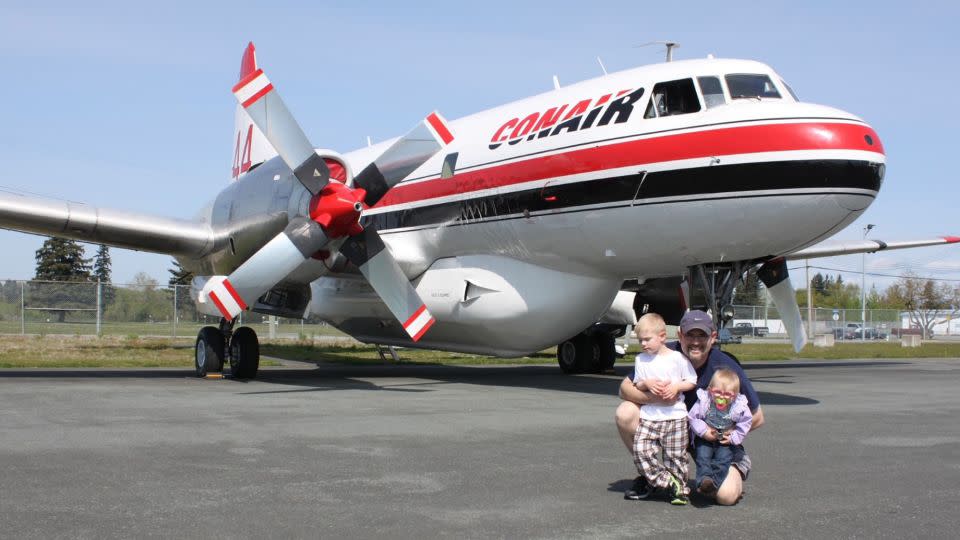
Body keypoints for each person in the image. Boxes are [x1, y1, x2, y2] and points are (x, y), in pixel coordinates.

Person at [615, 310, 766, 505]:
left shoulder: (726, 367)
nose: (695, 342)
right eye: (690, 335)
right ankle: (651, 477)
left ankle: (735, 467)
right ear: (679, 335)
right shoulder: (660, 353)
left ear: (713, 337)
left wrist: (724, 433)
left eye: (701, 335)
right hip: (668, 427)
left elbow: (758, 416)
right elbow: (624, 388)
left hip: (710, 439)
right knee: (625, 412)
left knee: (726, 496)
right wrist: (656, 398)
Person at [630, 313, 697, 505]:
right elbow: (638, 384)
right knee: (640, 451)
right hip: (649, 416)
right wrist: (647, 383)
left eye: (647, 339)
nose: (643, 344)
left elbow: (691, 381)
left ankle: (679, 491)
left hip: (675, 416)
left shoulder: (677, 358)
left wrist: (676, 387)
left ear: (662, 336)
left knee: (676, 456)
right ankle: (668, 482)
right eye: (640, 340)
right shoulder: (640, 360)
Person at [688, 368, 753, 496]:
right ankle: (704, 480)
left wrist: (734, 437)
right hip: (706, 437)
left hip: (725, 439)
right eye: (717, 392)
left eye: (727, 395)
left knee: (723, 459)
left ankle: (714, 484)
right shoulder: (704, 400)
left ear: (735, 395)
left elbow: (746, 422)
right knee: (703, 456)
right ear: (710, 389)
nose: (721, 397)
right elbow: (693, 417)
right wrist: (703, 431)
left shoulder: (739, 406)